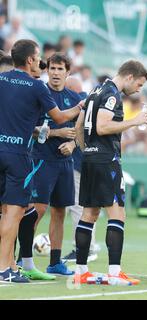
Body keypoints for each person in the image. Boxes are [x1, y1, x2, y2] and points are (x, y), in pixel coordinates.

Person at [0, 39, 82, 283]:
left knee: (4, 213)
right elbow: (58, 118)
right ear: (29, 60)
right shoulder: (36, 87)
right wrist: (80, 106)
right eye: (38, 59)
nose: (41, 64)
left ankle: (11, 265)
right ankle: (5, 269)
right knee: (13, 215)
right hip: (19, 157)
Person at [73, 60, 147, 285]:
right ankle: (115, 273)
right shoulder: (111, 94)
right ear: (129, 77)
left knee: (89, 214)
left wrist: (86, 150)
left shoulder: (94, 91)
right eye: (139, 84)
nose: (139, 89)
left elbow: (79, 125)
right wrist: (133, 121)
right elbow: (102, 127)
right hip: (106, 160)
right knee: (117, 214)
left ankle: (81, 271)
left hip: (89, 159)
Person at [25, 53, 83, 277]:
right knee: (36, 210)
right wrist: (56, 133)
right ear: (47, 70)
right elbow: (29, 126)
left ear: (68, 72)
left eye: (60, 69)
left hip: (65, 162)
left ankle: (55, 262)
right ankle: (22, 259)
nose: (56, 73)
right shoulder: (39, 93)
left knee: (60, 211)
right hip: (41, 159)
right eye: (53, 68)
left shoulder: (73, 97)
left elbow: (80, 129)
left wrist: (73, 144)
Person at [62, 76, 101, 263]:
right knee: (90, 206)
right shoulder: (93, 102)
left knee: (78, 206)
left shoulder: (79, 105)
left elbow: (78, 132)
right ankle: (89, 245)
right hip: (95, 161)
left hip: (80, 162)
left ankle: (84, 248)